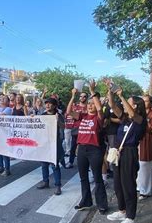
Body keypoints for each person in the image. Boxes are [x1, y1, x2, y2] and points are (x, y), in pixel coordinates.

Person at [105, 80, 146, 223]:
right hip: (118, 152)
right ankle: (122, 210)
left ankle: (131, 217)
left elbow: (134, 114)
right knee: (118, 183)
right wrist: (110, 91)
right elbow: (113, 107)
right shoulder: (124, 119)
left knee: (128, 185)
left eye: (128, 102)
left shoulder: (140, 120)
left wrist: (122, 96)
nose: (124, 104)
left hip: (129, 152)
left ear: (135, 105)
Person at [67, 81, 108, 215]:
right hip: (82, 150)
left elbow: (99, 109)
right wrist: (73, 95)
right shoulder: (82, 116)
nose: (90, 106)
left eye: (92, 104)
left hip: (94, 150)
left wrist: (92, 91)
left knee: (97, 177)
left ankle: (102, 204)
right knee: (83, 178)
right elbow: (68, 112)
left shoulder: (99, 118)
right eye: (88, 104)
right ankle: (86, 201)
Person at [37, 97, 65, 195]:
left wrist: (57, 121)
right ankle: (45, 181)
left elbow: (63, 126)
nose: (47, 105)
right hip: (44, 143)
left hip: (54, 143)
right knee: (44, 164)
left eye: (50, 103)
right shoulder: (43, 115)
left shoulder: (58, 115)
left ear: (54, 106)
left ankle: (58, 186)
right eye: (46, 103)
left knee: (55, 165)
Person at [137, 95, 152, 200]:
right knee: (137, 166)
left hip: (147, 142)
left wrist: (143, 123)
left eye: (145, 101)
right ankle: (139, 186)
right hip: (137, 142)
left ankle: (145, 191)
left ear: (150, 103)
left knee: (145, 166)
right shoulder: (137, 113)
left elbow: (151, 128)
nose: (143, 103)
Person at [64, 90, 88, 169]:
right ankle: (71, 162)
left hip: (85, 130)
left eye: (84, 96)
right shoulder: (76, 106)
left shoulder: (89, 106)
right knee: (73, 146)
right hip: (76, 129)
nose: (82, 98)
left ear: (87, 98)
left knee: (85, 148)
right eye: (81, 96)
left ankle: (86, 165)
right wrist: (73, 96)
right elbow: (69, 111)